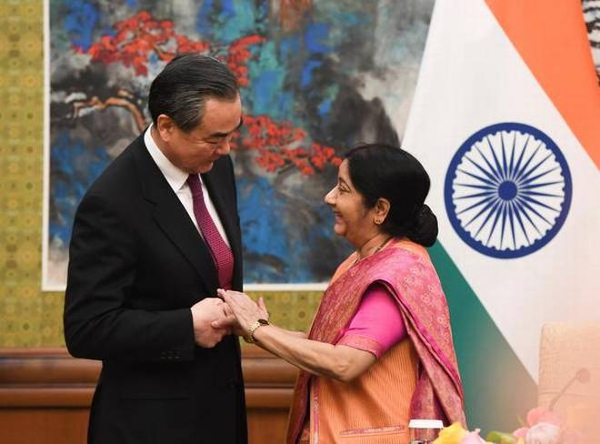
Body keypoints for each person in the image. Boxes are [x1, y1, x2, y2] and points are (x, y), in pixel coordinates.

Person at [218, 144, 466, 444]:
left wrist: (258, 330)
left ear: (380, 210)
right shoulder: (359, 262)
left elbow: (344, 363)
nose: (329, 198)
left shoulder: (396, 272)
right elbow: (324, 347)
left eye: (343, 189)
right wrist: (256, 325)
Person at [63, 54, 247, 443]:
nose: (228, 149)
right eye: (215, 138)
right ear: (166, 126)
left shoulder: (215, 167)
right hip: (149, 426)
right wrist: (186, 327)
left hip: (220, 413)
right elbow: (86, 329)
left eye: (233, 134)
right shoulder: (112, 202)